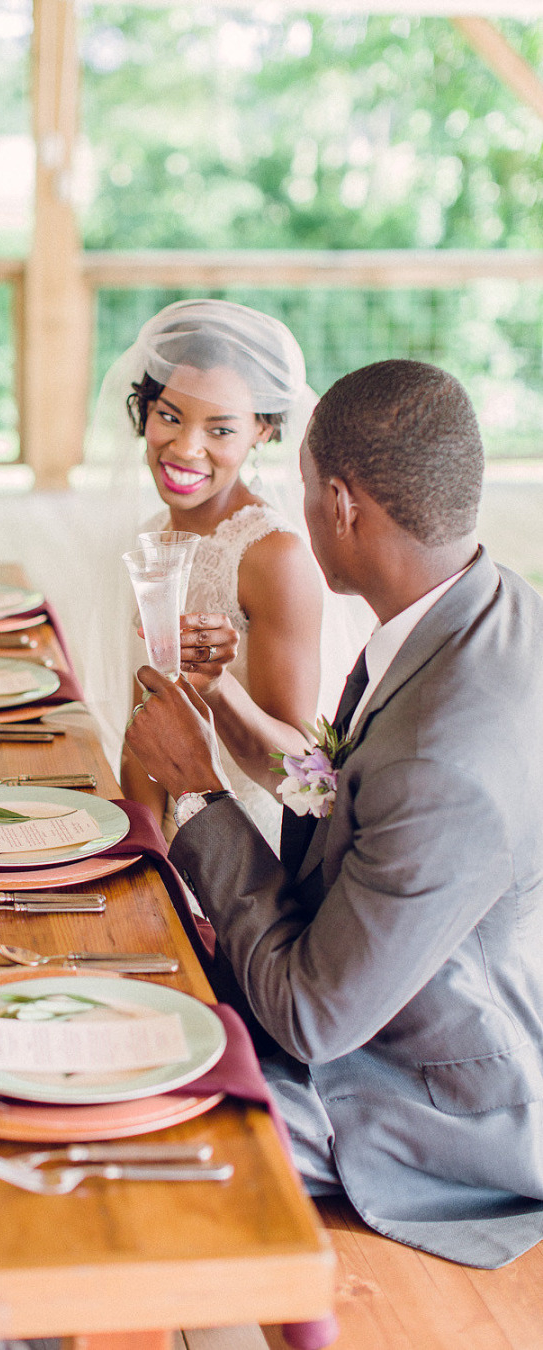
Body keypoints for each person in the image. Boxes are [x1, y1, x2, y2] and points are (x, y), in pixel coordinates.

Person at [125, 358, 543, 1269]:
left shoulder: (450, 759)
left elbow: (312, 1017)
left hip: (423, 1100)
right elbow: (354, 788)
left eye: (305, 488)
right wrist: (222, 703)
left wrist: (195, 793)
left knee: (121, 1134)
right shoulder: (479, 607)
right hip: (379, 1000)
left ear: (343, 506)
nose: (296, 508)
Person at [113, 300, 326, 850]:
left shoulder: (272, 557)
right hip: (150, 837)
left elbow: (302, 777)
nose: (185, 448)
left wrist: (219, 684)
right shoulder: (150, 533)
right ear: (145, 408)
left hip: (240, 861)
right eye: (169, 416)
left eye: (221, 429)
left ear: (262, 430)